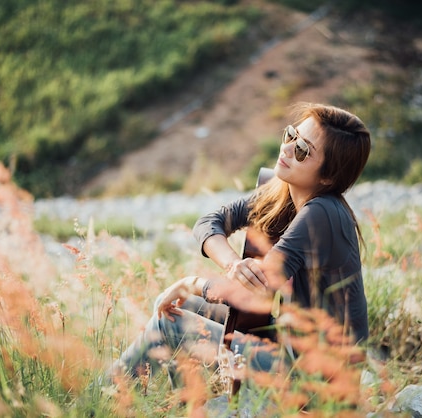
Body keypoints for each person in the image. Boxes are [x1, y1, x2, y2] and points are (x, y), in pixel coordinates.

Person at [108, 102, 371, 385]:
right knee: (166, 305)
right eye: (291, 135)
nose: (286, 149)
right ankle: (193, 405)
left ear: (328, 176)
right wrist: (233, 264)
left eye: (302, 151)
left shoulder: (324, 212)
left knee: (167, 324)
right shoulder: (283, 191)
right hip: (290, 345)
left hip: (317, 379)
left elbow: (249, 288)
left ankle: (98, 401)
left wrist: (191, 283)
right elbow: (210, 222)